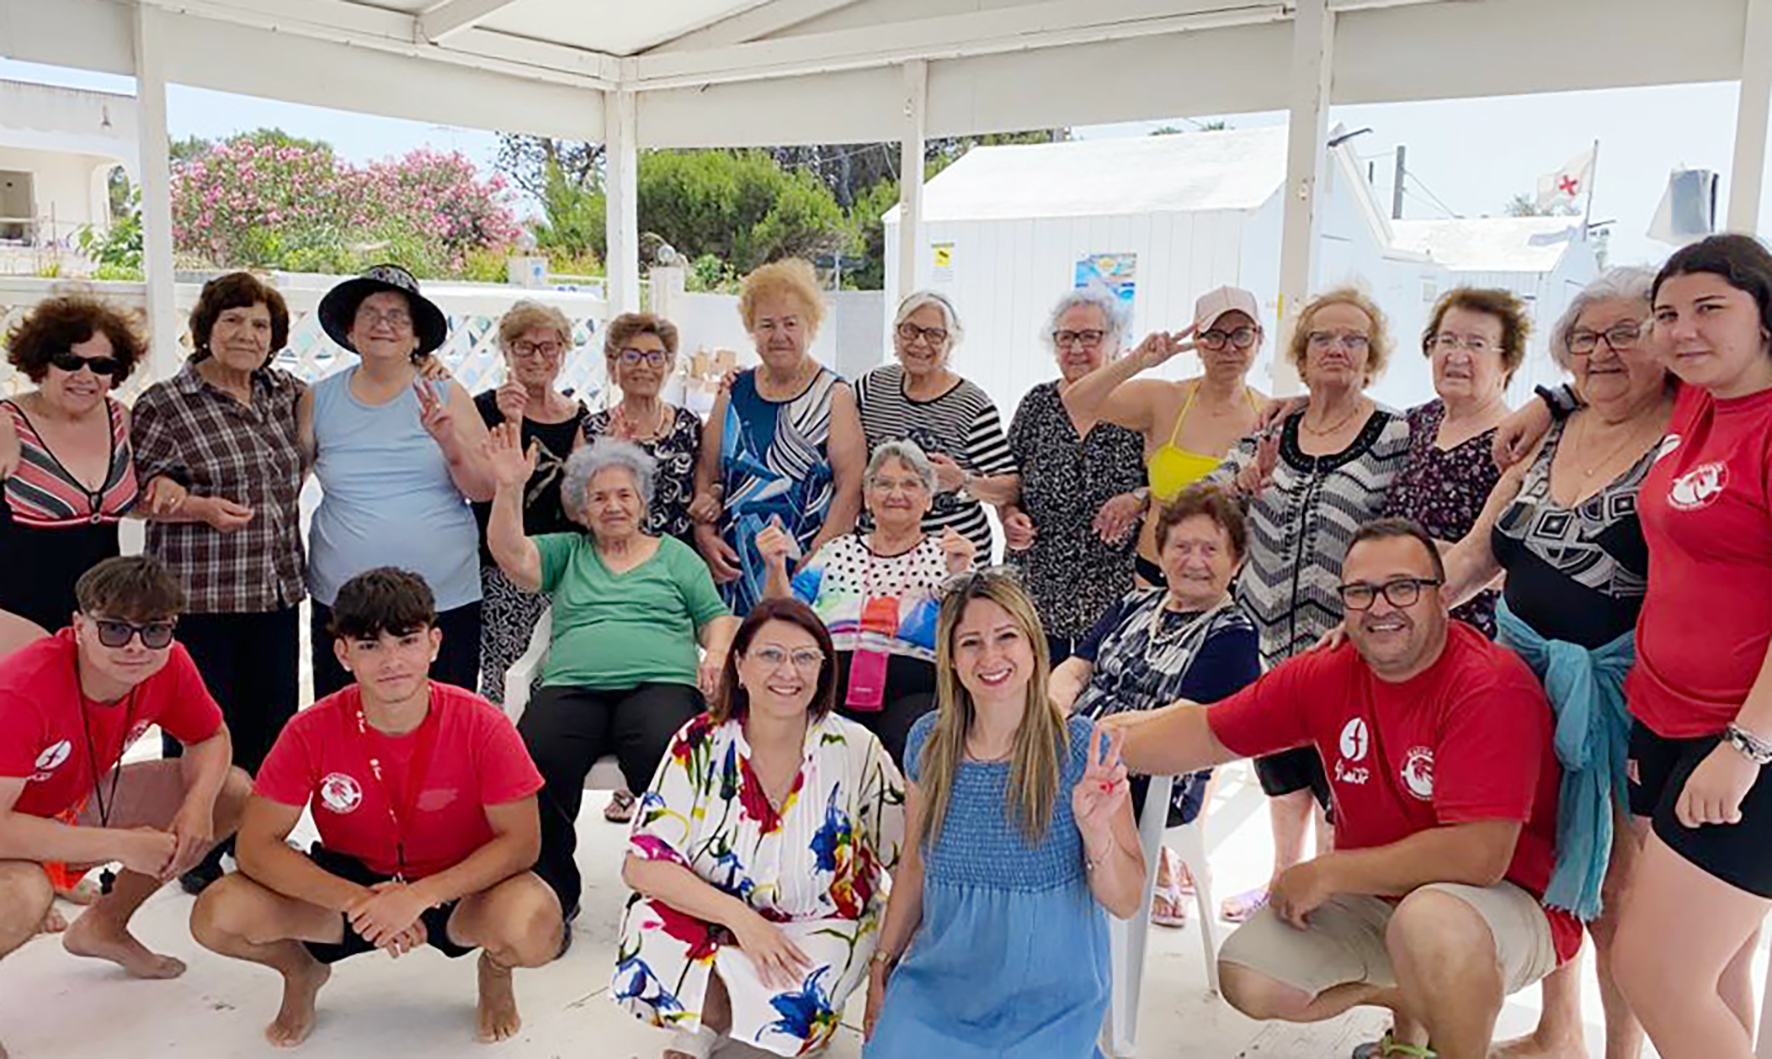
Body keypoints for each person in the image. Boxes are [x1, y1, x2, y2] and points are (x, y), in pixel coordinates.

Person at [1105, 519, 1578, 1059]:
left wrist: (1328, 870)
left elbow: (1479, 855)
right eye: (1360, 592)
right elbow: (1208, 732)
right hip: (1382, 900)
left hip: (1504, 906)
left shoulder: (1488, 686)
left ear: (1440, 595)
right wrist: (1081, 748)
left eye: (1402, 587)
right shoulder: (1329, 670)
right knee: (1250, 976)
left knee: (1432, 925)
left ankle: (1450, 1040)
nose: (1380, 607)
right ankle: (1422, 1001)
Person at [1420, 269, 1669, 1059]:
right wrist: (1389, 613)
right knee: (1544, 862)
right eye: (1587, 336)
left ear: (1664, 341)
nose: (1603, 351)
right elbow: (1475, 556)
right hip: (1518, 682)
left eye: (1626, 332)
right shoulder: (1550, 430)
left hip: (1625, 693)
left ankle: (1619, 1051)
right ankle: (1556, 1031)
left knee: (1619, 895)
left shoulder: (1689, 432)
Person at [189, 567, 561, 1048]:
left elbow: (521, 843)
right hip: (351, 882)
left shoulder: (482, 724)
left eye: (406, 641)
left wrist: (419, 896)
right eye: (369, 645)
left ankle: (495, 969)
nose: (391, 660)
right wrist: (358, 900)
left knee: (536, 928)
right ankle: (300, 971)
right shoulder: (310, 729)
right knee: (216, 915)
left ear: (434, 643)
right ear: (343, 654)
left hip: (453, 888)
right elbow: (256, 847)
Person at [1602, 234, 1772, 1059]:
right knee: (1714, 969)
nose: (1683, 330)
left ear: (1764, 314)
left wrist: (1747, 746)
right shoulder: (1698, 401)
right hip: (1661, 719)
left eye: (1710, 308)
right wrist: (1541, 406)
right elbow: (1595, 381)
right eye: (1667, 314)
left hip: (1744, 742)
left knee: (1653, 970)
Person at [863, 570, 1141, 1058]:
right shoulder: (928, 742)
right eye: (970, 642)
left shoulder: (1081, 748)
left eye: (1006, 636)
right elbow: (914, 864)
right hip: (940, 981)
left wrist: (1096, 833)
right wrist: (881, 966)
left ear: (1034, 647)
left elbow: (1126, 901)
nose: (990, 657)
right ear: (950, 658)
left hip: (1050, 998)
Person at [613, 598, 903, 1059]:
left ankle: (732, 1018)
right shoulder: (700, 741)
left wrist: (892, 964)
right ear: (740, 666)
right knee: (649, 923)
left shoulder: (856, 748)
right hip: (718, 918)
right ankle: (705, 1024)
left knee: (784, 1027)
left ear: (822, 672)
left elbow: (907, 859)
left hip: (819, 924)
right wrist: (742, 920)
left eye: (805, 657)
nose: (788, 671)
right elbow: (643, 866)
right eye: (770, 654)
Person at [1204, 286, 1411, 922]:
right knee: (1281, 773)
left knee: (1343, 782)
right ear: (1302, 352)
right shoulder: (1274, 427)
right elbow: (1207, 502)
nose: (1337, 350)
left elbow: (1404, 537)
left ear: (1371, 357)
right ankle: (1281, 881)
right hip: (1269, 643)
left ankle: (1336, 896)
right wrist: (1243, 481)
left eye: (1353, 340)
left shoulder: (1392, 434)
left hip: (1348, 647)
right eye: (1323, 338)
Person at [0, 557, 251, 1059]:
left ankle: (105, 925)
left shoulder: (170, 661)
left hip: (67, 808)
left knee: (232, 792)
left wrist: (197, 807)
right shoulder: (21, 690)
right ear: (79, 627)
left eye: (154, 631)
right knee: (22, 896)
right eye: (114, 629)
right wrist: (120, 844)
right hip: (11, 824)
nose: (136, 647)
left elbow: (210, 736)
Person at [485, 428, 737, 922]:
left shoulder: (675, 556)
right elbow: (510, 553)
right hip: (572, 686)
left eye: (624, 494)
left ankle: (668, 886)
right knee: (538, 756)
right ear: (583, 508)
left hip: (660, 682)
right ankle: (552, 893)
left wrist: (718, 653)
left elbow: (715, 616)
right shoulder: (568, 552)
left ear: (643, 502)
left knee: (666, 753)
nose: (613, 506)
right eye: (599, 497)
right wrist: (509, 487)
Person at [129, 272, 307, 892]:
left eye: (260, 324)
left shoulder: (285, 394)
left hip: (276, 588)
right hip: (200, 596)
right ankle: (190, 849)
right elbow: (143, 493)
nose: (247, 334)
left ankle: (256, 840)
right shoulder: (166, 402)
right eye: (233, 320)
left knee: (272, 721)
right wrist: (195, 504)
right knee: (199, 729)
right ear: (206, 329)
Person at [1050, 486, 1262, 926]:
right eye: (1181, 547)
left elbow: (1184, 722)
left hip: (1154, 781)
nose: (1195, 561)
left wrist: (1088, 734)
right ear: (1162, 555)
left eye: (1210, 549)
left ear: (1236, 562)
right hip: (1076, 748)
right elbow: (1075, 667)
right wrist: (1054, 711)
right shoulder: (1134, 603)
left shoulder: (1233, 635)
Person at [302, 264, 496, 700]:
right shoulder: (318, 398)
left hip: (443, 596)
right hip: (343, 598)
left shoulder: (447, 395)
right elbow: (287, 481)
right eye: (370, 312)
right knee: (345, 717)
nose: (382, 324)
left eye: (397, 316)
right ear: (350, 331)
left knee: (443, 717)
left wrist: (448, 440)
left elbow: (484, 488)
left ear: (415, 338)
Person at [759, 440, 976, 769]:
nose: (896, 494)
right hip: (831, 683)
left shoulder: (947, 556)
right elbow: (781, 620)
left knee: (910, 737)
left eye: (910, 484)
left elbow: (971, 632)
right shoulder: (836, 551)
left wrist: (961, 573)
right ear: (868, 497)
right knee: (815, 742)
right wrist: (775, 567)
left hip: (916, 688)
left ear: (928, 499)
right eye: (884, 484)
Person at [1059, 285, 1266, 587]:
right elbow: (1077, 402)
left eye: (1241, 335)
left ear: (1258, 338)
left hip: (1232, 587)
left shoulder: (1269, 415)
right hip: (1155, 578)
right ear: (1198, 341)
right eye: (1216, 336)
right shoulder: (1165, 400)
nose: (1229, 348)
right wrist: (1138, 361)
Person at [693, 259, 865, 615]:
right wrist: (705, 535)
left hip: (808, 569)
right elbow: (708, 472)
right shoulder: (733, 391)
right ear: (751, 330)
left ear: (810, 325)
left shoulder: (835, 396)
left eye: (790, 323)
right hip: (736, 566)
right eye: (766, 325)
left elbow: (851, 487)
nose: (779, 335)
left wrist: (819, 555)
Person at [0, 295, 173, 632]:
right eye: (69, 361)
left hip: (102, 623)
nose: (85, 375)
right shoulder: (8, 424)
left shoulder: (120, 419)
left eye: (101, 366)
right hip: (14, 621)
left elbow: (135, 504)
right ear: (40, 362)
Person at [1002, 286, 1149, 662]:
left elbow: (1165, 485)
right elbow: (1009, 482)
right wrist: (1009, 517)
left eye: (1089, 336)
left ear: (1115, 343)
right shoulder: (1037, 404)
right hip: (1036, 590)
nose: (1076, 348)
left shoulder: (1139, 405)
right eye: (1066, 337)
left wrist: (1138, 498)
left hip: (1112, 593)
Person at [1377, 287, 1528, 638]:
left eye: (1476, 344)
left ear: (1508, 363)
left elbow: (1527, 567)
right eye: (1447, 340)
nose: (1457, 356)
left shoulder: (1519, 445)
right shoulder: (1412, 423)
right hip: (1394, 629)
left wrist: (1440, 558)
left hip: (1469, 636)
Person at [468, 300, 587, 705]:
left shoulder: (579, 416)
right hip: (503, 565)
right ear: (507, 352)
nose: (538, 357)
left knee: (558, 674)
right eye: (524, 347)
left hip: (562, 566)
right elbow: (481, 483)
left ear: (563, 351)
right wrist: (512, 418)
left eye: (548, 347)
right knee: (507, 675)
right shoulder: (483, 409)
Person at [853, 292, 1019, 559]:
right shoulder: (872, 387)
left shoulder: (972, 405)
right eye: (910, 330)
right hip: (878, 552)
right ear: (896, 335)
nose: (920, 342)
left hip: (952, 554)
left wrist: (963, 481)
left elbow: (1009, 487)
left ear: (950, 343)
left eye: (934, 334)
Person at [581, 311, 702, 547]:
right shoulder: (593, 429)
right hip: (616, 559)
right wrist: (608, 454)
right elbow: (577, 508)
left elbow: (708, 485)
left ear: (669, 366)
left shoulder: (690, 424)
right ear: (612, 364)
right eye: (631, 356)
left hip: (679, 562)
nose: (643, 366)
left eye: (655, 357)